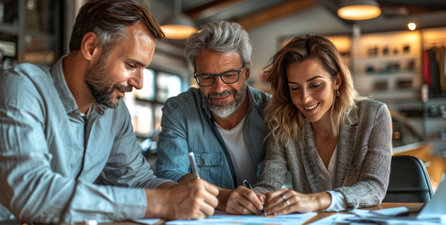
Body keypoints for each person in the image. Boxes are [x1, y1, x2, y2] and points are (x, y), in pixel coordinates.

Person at [0, 0, 219, 223]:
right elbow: (30, 191)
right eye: (131, 65)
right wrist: (162, 202)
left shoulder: (114, 112)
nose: (139, 83)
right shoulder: (22, 86)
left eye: (144, 68)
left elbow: (137, 180)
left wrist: (195, 195)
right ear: (90, 47)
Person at [230, 34, 392, 215]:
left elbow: (374, 187)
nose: (305, 98)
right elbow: (269, 184)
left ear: (336, 81)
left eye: (315, 85)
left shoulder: (374, 116)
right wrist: (253, 198)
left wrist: (315, 200)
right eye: (295, 88)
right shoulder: (284, 123)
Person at [155, 20, 269, 213]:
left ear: (247, 71)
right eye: (207, 77)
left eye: (230, 75)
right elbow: (169, 175)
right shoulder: (179, 111)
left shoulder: (272, 110)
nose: (219, 88)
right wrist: (223, 198)